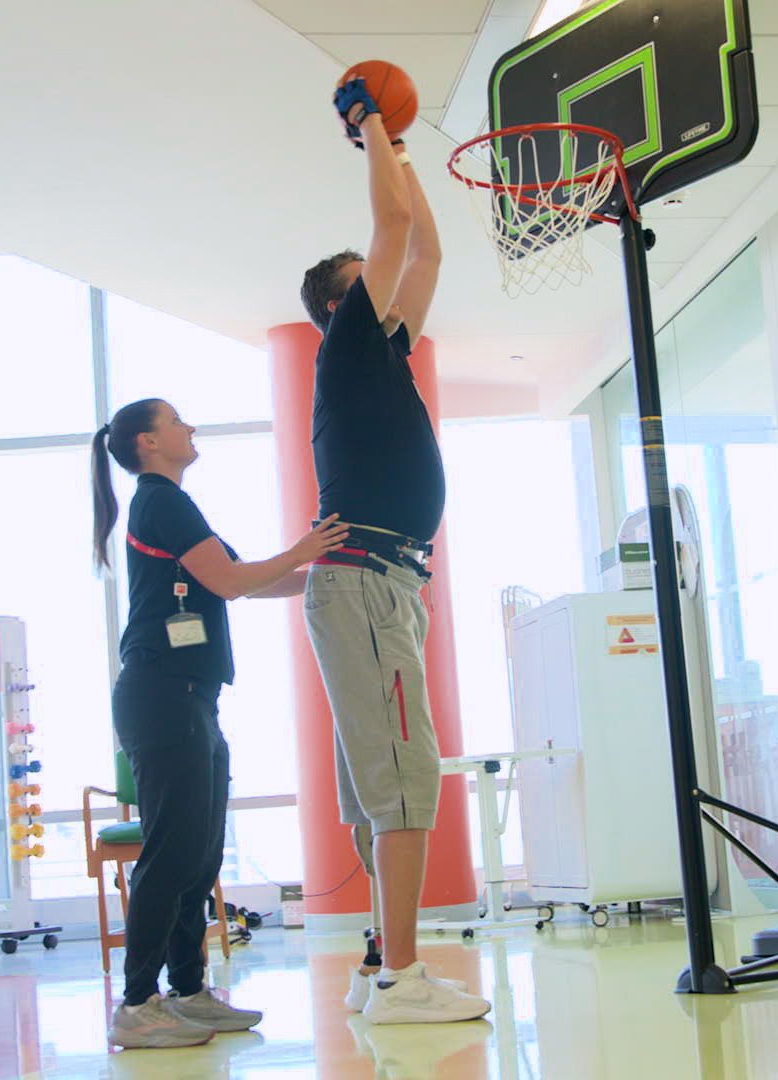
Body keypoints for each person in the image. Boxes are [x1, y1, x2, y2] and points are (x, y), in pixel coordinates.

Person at [294, 78, 489, 1026]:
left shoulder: (383, 354)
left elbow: (428, 245)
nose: (389, 280)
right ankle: (401, 980)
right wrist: (371, 123)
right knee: (406, 782)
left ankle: (390, 967)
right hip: (367, 585)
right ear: (342, 307)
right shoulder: (344, 349)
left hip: (383, 584)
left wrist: (403, 153)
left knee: (397, 780)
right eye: (366, 280)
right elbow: (396, 228)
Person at [91, 397, 350, 1049]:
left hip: (191, 696)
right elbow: (234, 581)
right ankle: (137, 1003)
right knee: (170, 849)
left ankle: (187, 991)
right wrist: (305, 545)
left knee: (200, 850)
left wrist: (324, 569)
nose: (191, 428)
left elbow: (248, 582)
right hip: (161, 694)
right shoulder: (158, 499)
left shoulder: (174, 505)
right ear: (148, 442)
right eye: (177, 420)